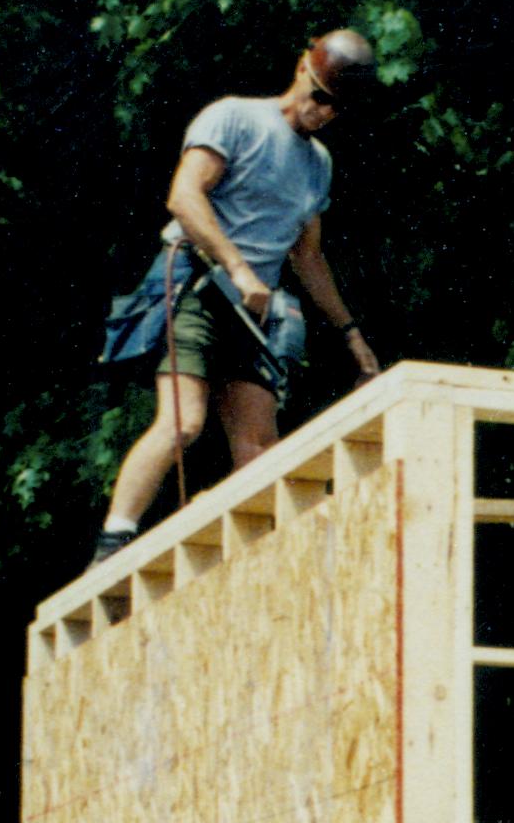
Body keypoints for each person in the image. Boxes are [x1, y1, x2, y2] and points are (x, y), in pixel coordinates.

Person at [95, 29, 385, 561]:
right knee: (184, 422)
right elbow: (184, 196)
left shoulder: (318, 164)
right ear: (302, 67)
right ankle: (113, 541)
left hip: (251, 311)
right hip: (196, 279)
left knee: (260, 452)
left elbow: (308, 257)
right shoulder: (234, 117)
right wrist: (237, 267)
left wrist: (351, 335)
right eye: (318, 95)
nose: (321, 112)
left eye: (334, 108)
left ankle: (252, 558)